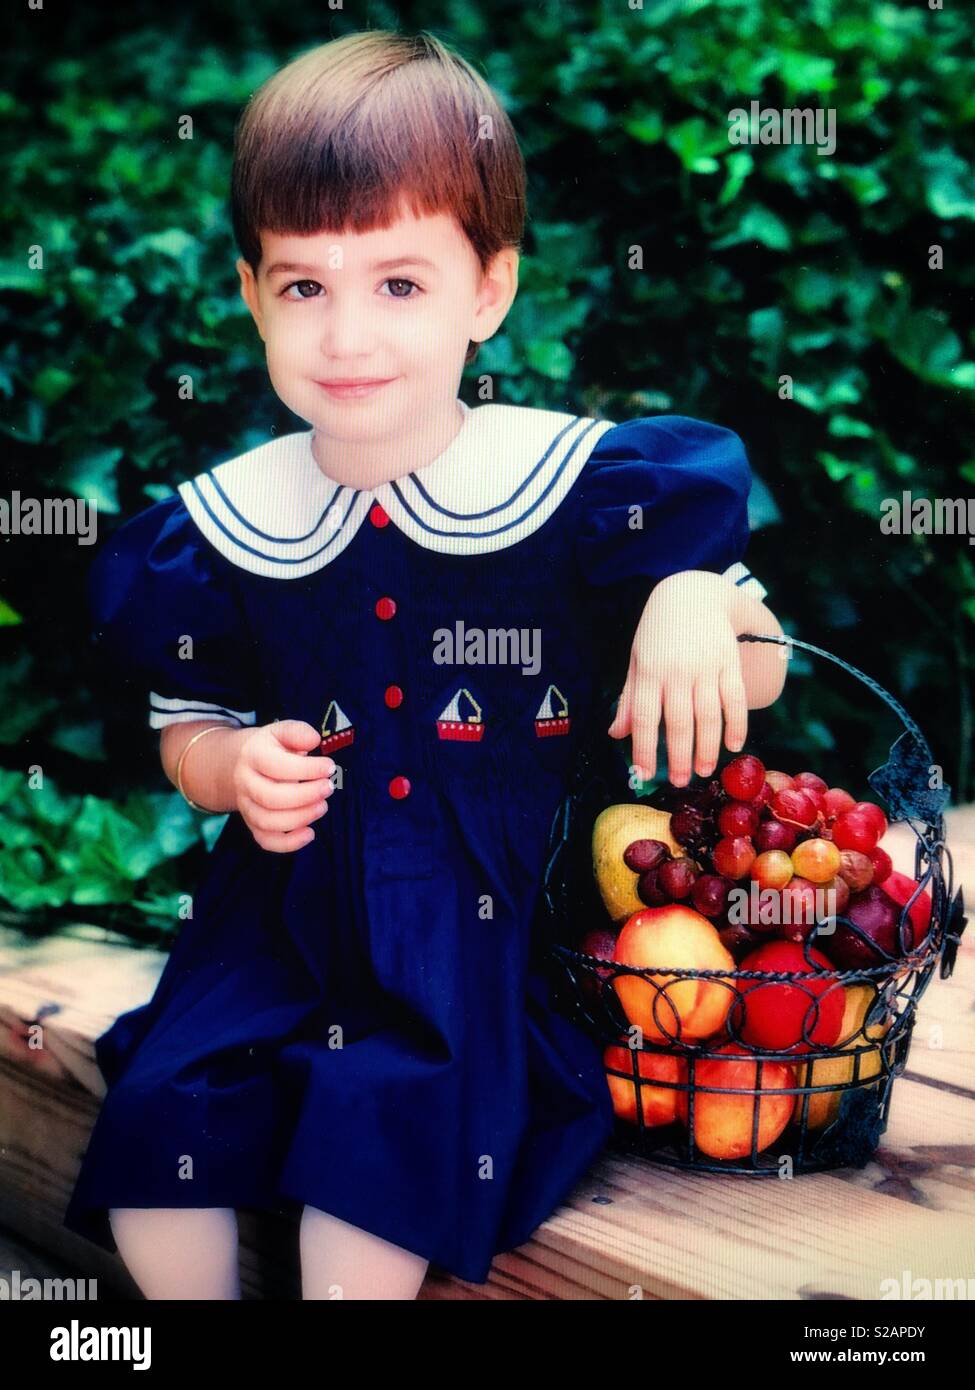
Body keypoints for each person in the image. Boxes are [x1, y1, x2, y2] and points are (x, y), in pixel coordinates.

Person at [62, 29, 787, 1299]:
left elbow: (765, 670)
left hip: (474, 918)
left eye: (400, 283)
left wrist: (690, 597)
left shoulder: (577, 486)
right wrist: (228, 766)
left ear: (488, 292)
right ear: (251, 294)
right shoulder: (225, 523)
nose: (347, 335)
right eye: (303, 287)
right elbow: (185, 723)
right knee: (168, 1115)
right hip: (274, 919)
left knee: (392, 1127)